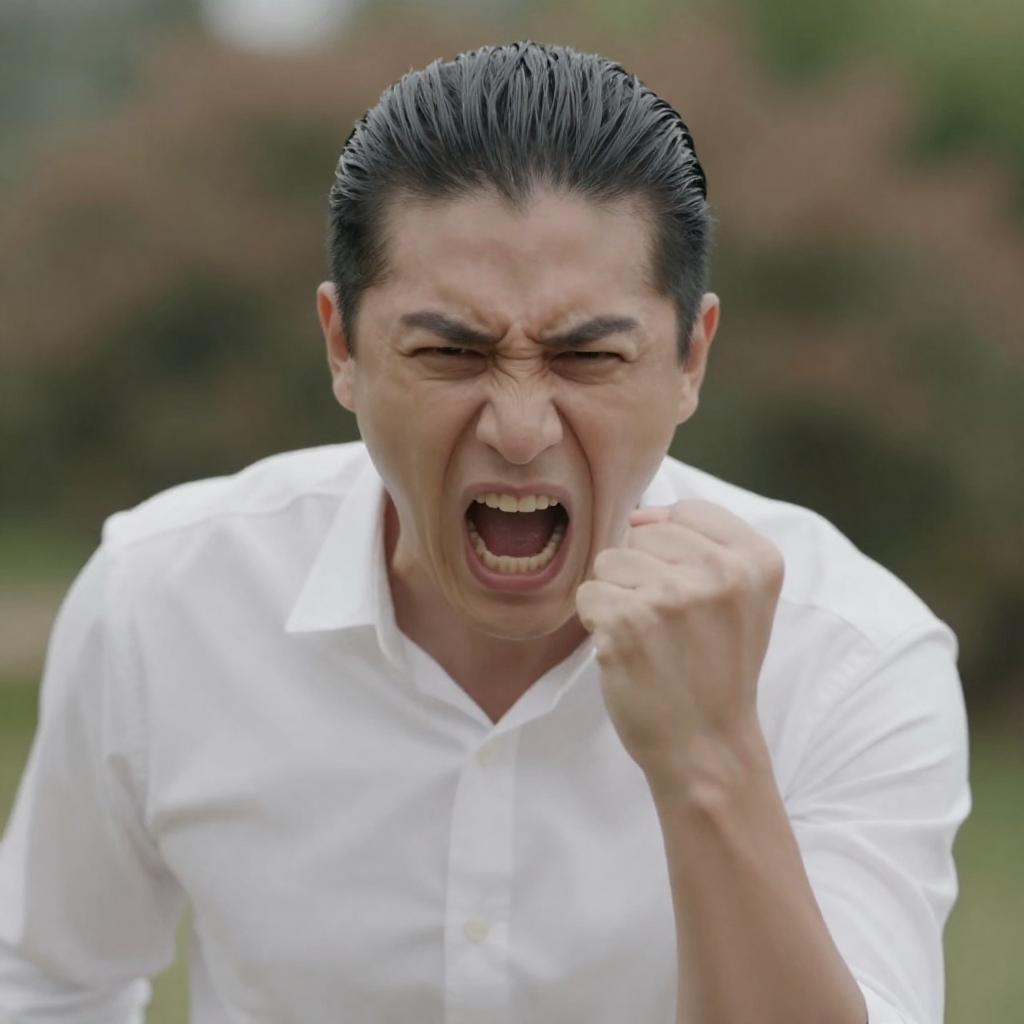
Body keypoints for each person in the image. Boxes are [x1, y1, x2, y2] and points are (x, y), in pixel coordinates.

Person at [0, 42, 969, 1024]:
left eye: (587, 357)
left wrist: (712, 762)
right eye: (450, 353)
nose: (519, 429)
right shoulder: (163, 598)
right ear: (342, 346)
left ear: (690, 357)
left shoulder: (851, 653)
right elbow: (45, 981)